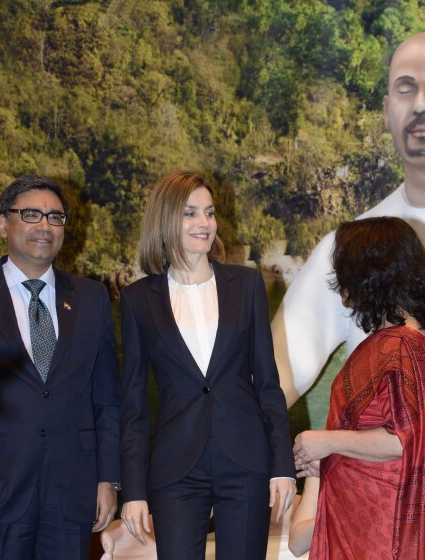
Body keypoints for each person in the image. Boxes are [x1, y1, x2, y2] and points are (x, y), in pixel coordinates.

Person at [272, 30, 425, 406]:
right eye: (406, 89)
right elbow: (273, 383)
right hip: (382, 461)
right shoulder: (346, 248)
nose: (421, 104)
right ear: (388, 112)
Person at [0, 175, 121, 559]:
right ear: (4, 223)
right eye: (31, 214)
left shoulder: (91, 299)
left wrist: (108, 479)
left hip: (72, 493)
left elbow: (107, 402)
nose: (44, 226)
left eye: (55, 217)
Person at [119, 171, 296, 559]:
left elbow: (268, 383)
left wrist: (282, 465)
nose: (205, 224)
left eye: (210, 213)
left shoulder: (247, 286)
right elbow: (132, 406)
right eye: (190, 214)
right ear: (166, 221)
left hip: (245, 460)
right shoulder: (137, 300)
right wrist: (132, 491)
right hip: (175, 468)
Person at [292, 217, 425, 559]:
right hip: (364, 526)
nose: (340, 285)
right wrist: (333, 457)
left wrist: (326, 441)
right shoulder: (393, 342)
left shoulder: (402, 345)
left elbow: (401, 440)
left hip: (382, 534)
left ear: (372, 274)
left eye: (346, 271)